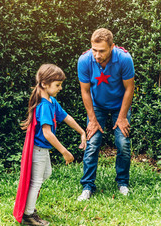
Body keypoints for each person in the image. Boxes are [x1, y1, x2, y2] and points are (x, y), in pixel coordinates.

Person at [17, 64, 87, 225]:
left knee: (45, 175)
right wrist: (65, 152)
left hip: (43, 150)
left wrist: (82, 131)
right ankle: (28, 215)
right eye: (57, 85)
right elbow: (47, 133)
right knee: (36, 182)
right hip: (38, 150)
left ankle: (29, 205)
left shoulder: (51, 101)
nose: (60, 88)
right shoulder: (44, 106)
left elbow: (66, 117)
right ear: (44, 84)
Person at [77, 28, 135, 201]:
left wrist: (123, 116)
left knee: (123, 143)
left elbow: (129, 88)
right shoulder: (84, 60)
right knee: (92, 143)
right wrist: (92, 119)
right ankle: (87, 186)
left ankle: (123, 182)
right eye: (94, 50)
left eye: (101, 51)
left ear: (112, 47)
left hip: (120, 106)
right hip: (97, 106)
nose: (97, 55)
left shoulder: (124, 59)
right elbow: (85, 91)